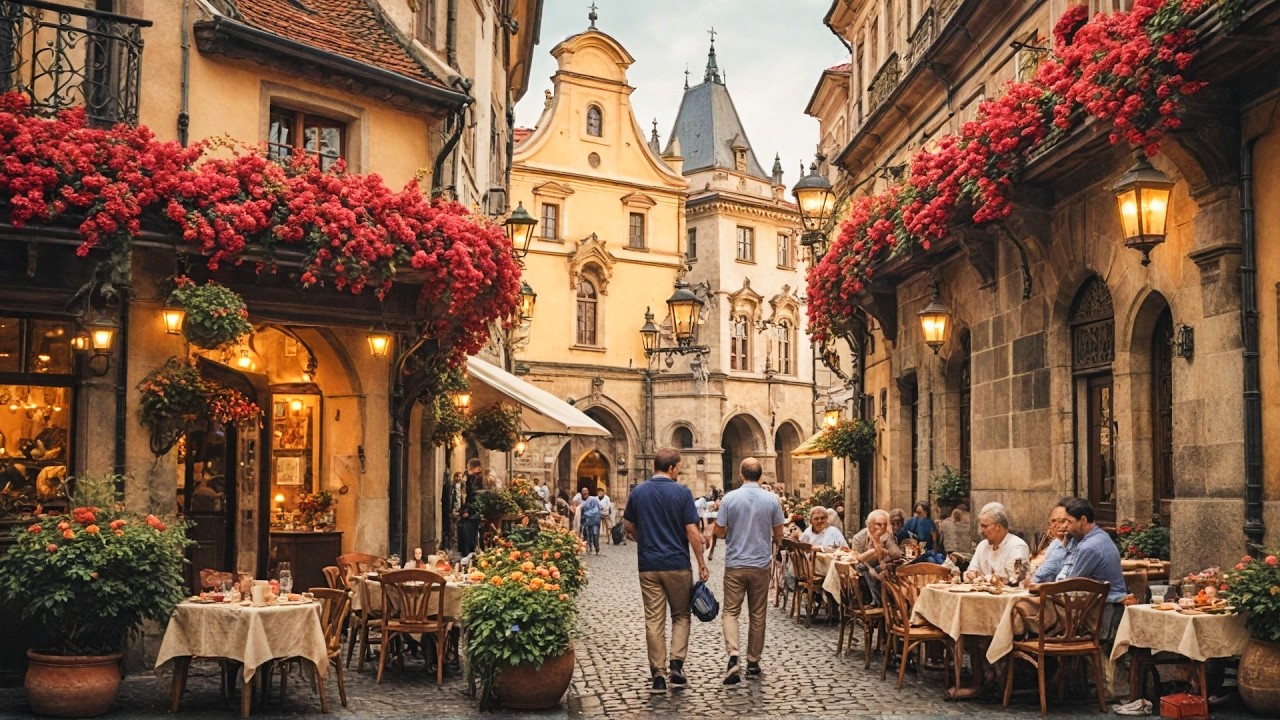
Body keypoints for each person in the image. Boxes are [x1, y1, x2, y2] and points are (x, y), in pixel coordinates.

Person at [622, 447, 709, 694]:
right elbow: (692, 532)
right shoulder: (681, 492)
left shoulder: (638, 492)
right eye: (678, 467)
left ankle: (658, 675)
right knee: (681, 615)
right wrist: (701, 562)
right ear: (672, 468)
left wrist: (644, 540)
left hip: (648, 566)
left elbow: (628, 526)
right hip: (677, 565)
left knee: (653, 619)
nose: (678, 472)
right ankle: (676, 666)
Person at [707, 458, 784, 686]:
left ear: (742, 475)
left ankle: (733, 655)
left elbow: (719, 532)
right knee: (757, 613)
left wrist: (730, 529)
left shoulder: (730, 499)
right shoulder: (772, 500)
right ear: (760, 476)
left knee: (731, 611)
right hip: (760, 564)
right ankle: (753, 662)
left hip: (736, 564)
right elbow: (779, 533)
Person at [1053, 498, 1127, 602]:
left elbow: (1070, 584)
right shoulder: (1102, 536)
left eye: (1068, 521)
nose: (1064, 526)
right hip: (1110, 600)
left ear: (1083, 520)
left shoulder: (1088, 546)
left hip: (1106, 605)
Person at [966, 502, 1030, 582]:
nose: (981, 531)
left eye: (985, 526)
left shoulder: (1018, 546)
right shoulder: (982, 546)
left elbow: (1015, 578)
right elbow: (971, 570)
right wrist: (972, 574)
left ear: (998, 527)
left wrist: (987, 578)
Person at [849, 509, 902, 605]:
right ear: (870, 525)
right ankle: (879, 603)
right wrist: (878, 550)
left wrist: (884, 543)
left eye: (885, 524)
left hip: (881, 568)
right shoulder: (859, 538)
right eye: (879, 524)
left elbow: (897, 554)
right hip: (862, 568)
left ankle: (888, 602)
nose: (882, 527)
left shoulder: (886, 536)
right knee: (869, 569)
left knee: (885, 569)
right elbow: (857, 559)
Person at [1030, 498, 1073, 583]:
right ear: (1049, 526)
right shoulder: (1055, 543)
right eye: (1053, 521)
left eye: (1062, 521)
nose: (1058, 525)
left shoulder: (1078, 544)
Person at [458, 459, 485, 556]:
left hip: (473, 514)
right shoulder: (472, 477)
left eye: (469, 469)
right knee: (470, 538)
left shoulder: (478, 478)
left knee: (471, 538)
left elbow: (473, 497)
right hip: (472, 512)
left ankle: (470, 555)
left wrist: (467, 511)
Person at [579, 487, 602, 555]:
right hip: (587, 521)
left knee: (595, 534)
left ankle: (597, 548)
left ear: (588, 492)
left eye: (586, 491)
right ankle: (589, 548)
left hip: (594, 520)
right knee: (588, 535)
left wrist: (586, 514)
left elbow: (596, 509)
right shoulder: (582, 501)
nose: (584, 492)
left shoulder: (593, 499)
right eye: (583, 491)